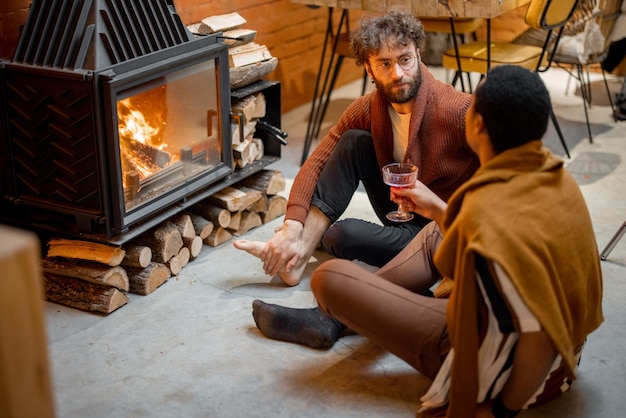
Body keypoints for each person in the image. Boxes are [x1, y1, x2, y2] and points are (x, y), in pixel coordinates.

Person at [251, 65, 604, 417]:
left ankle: (330, 318)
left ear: (477, 124)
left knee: (332, 280)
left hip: (514, 371)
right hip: (563, 350)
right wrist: (435, 207)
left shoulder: (488, 209)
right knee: (436, 227)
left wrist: (495, 409)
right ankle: (337, 320)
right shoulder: (554, 177)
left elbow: (538, 337)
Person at [234, 11, 479, 286]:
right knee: (353, 142)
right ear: (368, 68)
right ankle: (297, 254)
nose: (398, 73)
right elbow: (315, 164)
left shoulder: (458, 109)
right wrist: (292, 226)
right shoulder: (367, 109)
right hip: (398, 215)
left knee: (340, 236)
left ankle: (302, 248)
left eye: (405, 59)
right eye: (385, 64)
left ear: (418, 55)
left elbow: (503, 172)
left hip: (439, 234)